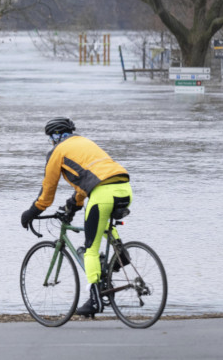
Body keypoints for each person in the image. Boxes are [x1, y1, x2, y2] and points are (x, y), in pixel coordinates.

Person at [20, 117, 132, 317]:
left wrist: (31, 212)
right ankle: (120, 253)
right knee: (102, 225)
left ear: (55, 136)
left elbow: (47, 193)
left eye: (50, 138)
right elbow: (89, 181)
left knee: (90, 250)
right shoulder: (84, 142)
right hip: (124, 188)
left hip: (102, 194)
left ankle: (95, 300)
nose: (51, 142)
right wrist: (73, 205)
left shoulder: (57, 152)